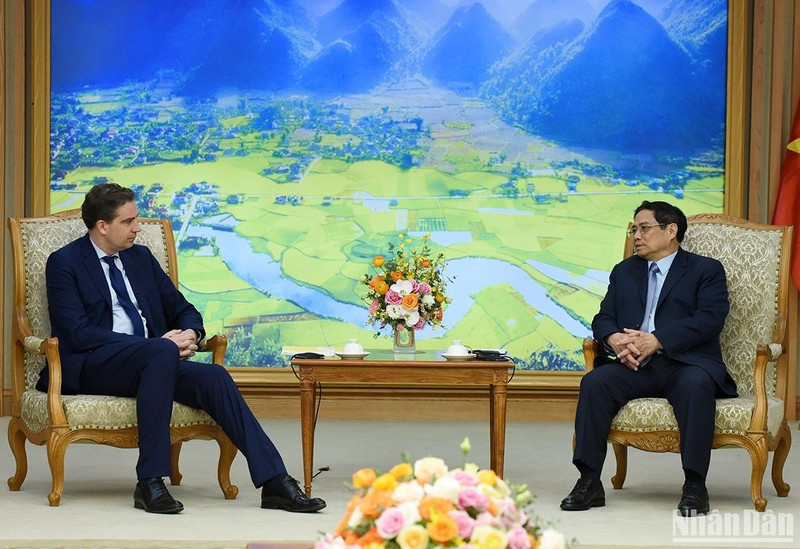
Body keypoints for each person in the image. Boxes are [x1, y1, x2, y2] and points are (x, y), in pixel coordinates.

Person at [41, 183, 326, 515]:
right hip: (94, 366)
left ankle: (275, 481)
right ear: (102, 226)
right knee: (161, 352)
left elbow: (184, 309)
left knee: (214, 378)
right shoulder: (64, 262)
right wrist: (156, 346)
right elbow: (78, 334)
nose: (137, 228)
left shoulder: (140, 258)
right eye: (128, 221)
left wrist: (190, 332)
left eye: (137, 219)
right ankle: (150, 481)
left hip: (152, 364)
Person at [561, 200, 737, 517]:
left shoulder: (705, 270)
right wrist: (614, 339)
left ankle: (695, 486)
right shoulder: (624, 271)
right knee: (594, 382)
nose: (636, 236)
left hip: (685, 363)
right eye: (634, 229)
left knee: (697, 385)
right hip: (633, 365)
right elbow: (603, 318)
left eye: (644, 228)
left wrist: (657, 340)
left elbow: (710, 319)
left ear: (671, 231)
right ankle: (589, 481)